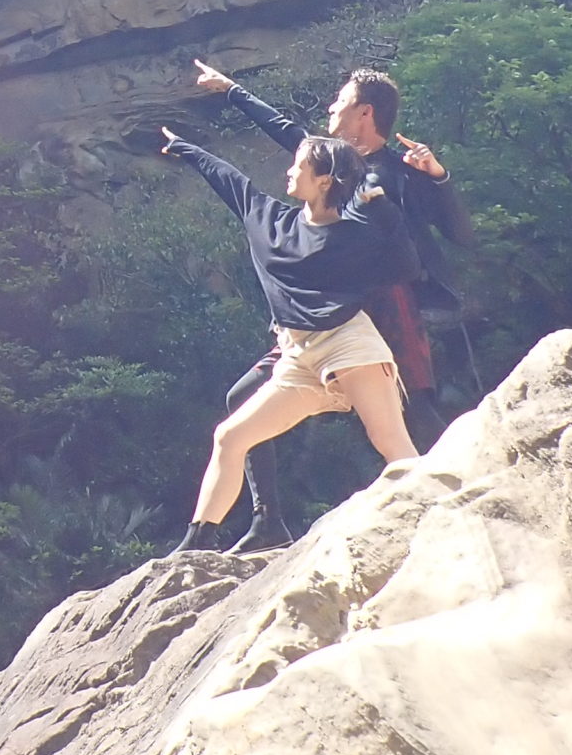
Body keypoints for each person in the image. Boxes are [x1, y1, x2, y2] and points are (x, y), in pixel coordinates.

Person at [189, 60, 475, 549]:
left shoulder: (401, 171)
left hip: (385, 306)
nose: (330, 107)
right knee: (242, 400)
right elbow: (287, 131)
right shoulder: (335, 163)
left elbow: (461, 235)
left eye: (339, 102)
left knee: (415, 410)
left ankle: (461, 496)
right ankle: (268, 521)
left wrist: (439, 177)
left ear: (364, 112)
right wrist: (232, 90)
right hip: (322, 314)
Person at [157, 123, 420, 554]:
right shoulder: (270, 220)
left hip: (349, 344)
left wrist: (386, 211)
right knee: (230, 437)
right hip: (297, 356)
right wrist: (185, 147)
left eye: (299, 165)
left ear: (324, 180)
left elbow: (407, 267)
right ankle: (196, 543)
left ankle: (441, 508)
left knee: (391, 442)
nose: (289, 171)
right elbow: (229, 179)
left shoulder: (353, 235)